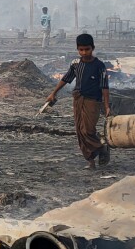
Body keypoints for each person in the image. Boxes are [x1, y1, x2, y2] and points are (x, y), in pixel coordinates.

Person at [45, 34, 111, 170]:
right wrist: (53, 93)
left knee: (88, 130)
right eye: (81, 50)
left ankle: (101, 148)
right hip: (78, 99)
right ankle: (91, 161)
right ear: (77, 50)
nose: (84, 52)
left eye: (87, 49)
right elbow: (66, 79)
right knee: (80, 132)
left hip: (93, 101)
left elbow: (105, 87)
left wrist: (106, 106)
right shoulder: (76, 64)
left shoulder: (99, 66)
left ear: (93, 48)